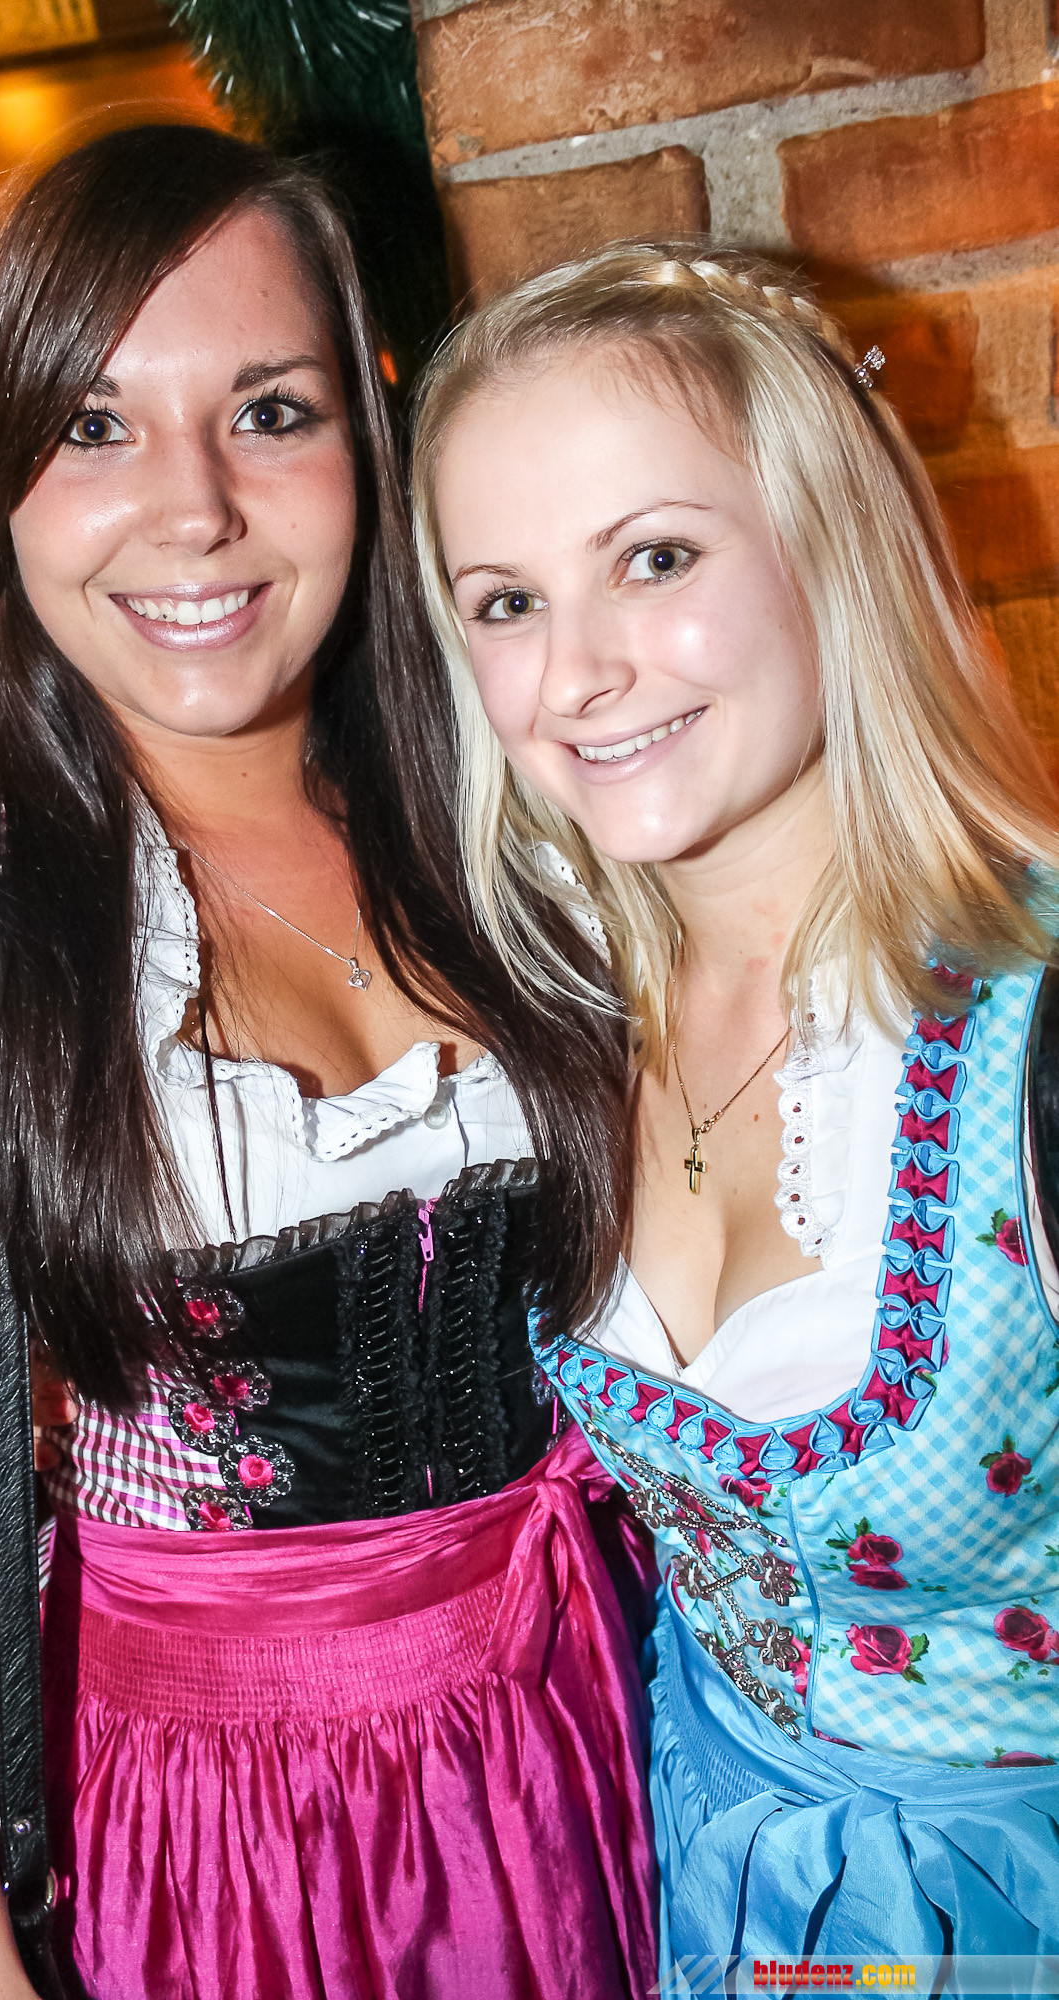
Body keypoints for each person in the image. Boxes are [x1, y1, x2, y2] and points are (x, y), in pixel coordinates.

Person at [0, 129, 658, 2000]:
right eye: (94, 427)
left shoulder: (524, 811)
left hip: (596, 1736)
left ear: (366, 441)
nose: (195, 511)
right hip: (222, 1839)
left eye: (268, 412)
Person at [409, 243, 1059, 1972]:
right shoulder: (549, 1017)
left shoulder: (1033, 1022)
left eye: (654, 558)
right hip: (699, 1872)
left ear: (827, 543)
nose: (575, 675)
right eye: (505, 601)